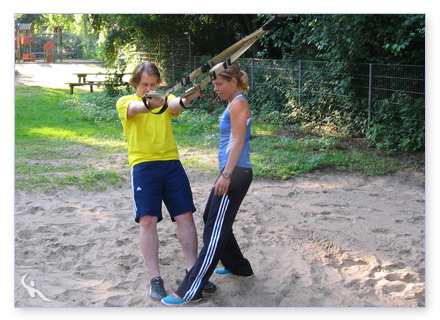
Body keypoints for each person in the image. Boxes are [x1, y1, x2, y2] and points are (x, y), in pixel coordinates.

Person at [116, 61, 216, 301]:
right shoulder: (125, 103)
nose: (149, 88)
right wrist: (155, 100)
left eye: (153, 84)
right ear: (135, 84)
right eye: (144, 85)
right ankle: (155, 278)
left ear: (159, 83)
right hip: (143, 166)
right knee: (148, 220)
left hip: (171, 163)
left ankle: (193, 272)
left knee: (185, 216)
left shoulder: (163, 99)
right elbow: (142, 108)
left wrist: (185, 99)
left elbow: (173, 104)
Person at [161, 64, 254, 306]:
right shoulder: (234, 102)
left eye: (219, 84)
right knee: (210, 219)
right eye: (213, 85)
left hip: (235, 173)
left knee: (214, 232)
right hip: (233, 172)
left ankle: (190, 290)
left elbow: (239, 141)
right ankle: (238, 266)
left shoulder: (238, 104)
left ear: (234, 83)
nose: (215, 89)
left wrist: (226, 174)